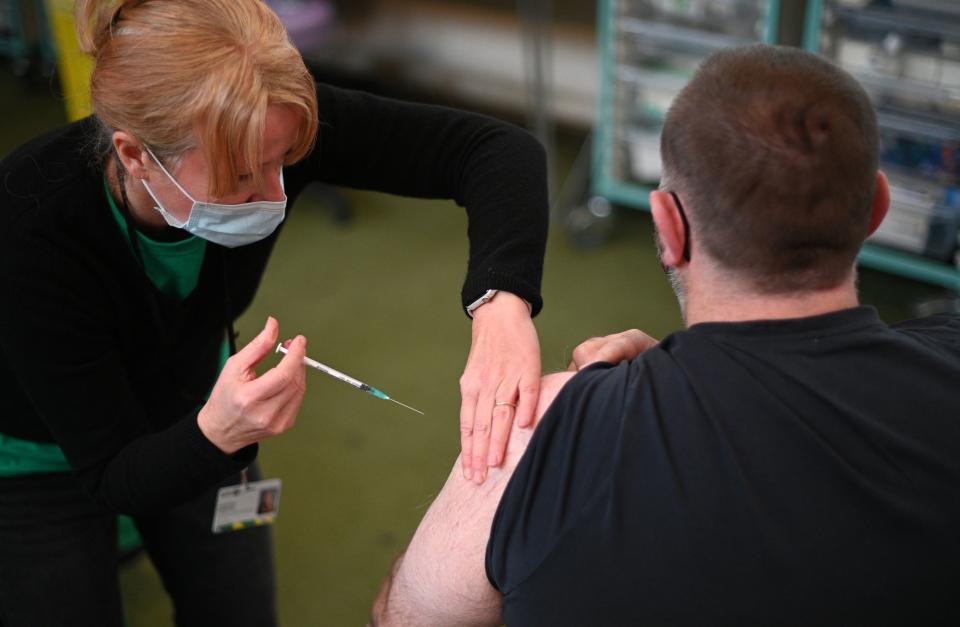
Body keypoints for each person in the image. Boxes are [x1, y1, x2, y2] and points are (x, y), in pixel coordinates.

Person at [370, 44, 960, 626]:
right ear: (876, 210)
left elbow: (404, 618)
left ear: (668, 227)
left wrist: (658, 387)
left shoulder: (544, 435)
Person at [0, 0, 548, 625]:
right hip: (40, 460)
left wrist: (500, 303)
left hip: (198, 400)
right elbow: (112, 475)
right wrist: (218, 435)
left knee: (240, 608)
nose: (273, 195)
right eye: (240, 177)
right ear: (134, 156)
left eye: (283, 162)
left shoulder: (272, 127)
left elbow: (498, 151)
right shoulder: (29, 235)